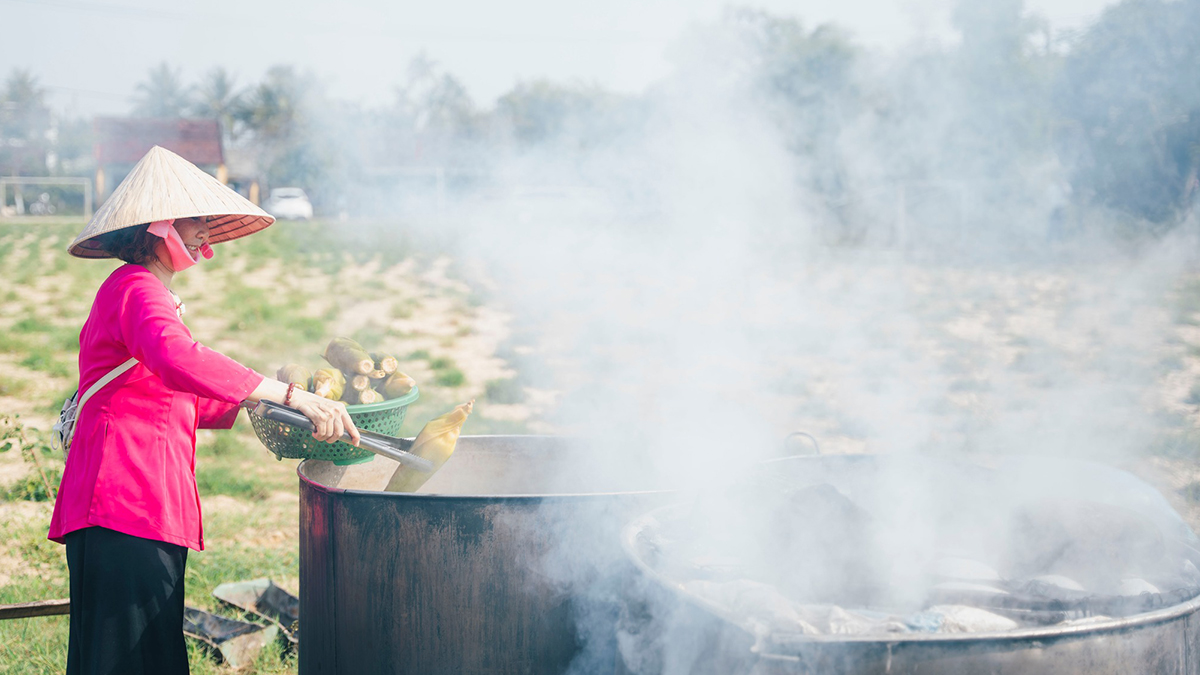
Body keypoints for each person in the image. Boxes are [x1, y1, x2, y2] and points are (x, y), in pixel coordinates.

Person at [47, 146, 359, 675]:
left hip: (139, 502)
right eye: (195, 219)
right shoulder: (137, 289)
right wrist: (285, 395)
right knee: (128, 656)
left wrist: (264, 400)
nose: (205, 233)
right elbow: (177, 359)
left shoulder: (144, 292)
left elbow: (173, 392)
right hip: (125, 501)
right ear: (158, 225)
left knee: (145, 651)